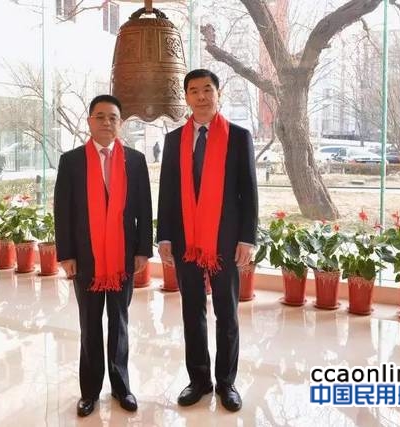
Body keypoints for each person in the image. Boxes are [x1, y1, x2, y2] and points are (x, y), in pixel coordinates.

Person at [156, 69, 258, 412]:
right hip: (185, 238)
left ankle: (226, 382)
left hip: (225, 240)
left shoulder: (238, 137)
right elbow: (167, 192)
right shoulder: (174, 140)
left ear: (218, 93)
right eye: (194, 91)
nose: (201, 96)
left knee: (227, 313)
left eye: (207, 90)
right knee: (192, 311)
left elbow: (249, 193)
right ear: (186, 96)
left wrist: (247, 238)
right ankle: (199, 380)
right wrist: (164, 236)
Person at [54, 94, 153, 417]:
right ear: (89, 121)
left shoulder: (135, 161)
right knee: (90, 324)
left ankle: (122, 387)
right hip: (86, 258)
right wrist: (66, 254)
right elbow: (63, 212)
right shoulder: (72, 161)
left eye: (113, 117)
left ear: (120, 123)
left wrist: (143, 249)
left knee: (120, 323)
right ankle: (90, 391)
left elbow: (144, 208)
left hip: (123, 257)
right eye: (100, 116)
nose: (106, 122)